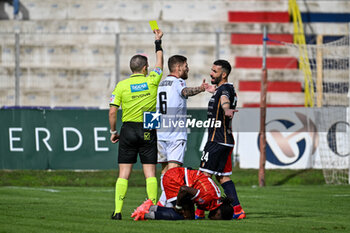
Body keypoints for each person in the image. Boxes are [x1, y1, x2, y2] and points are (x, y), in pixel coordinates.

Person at [108, 28, 164, 220]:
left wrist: (114, 131)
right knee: (150, 172)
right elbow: (160, 62)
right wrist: (158, 42)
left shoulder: (121, 85)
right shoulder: (152, 80)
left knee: (124, 173)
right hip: (149, 126)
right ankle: (154, 209)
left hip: (128, 128)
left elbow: (113, 110)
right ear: (145, 68)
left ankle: (117, 211)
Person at [156, 55, 211, 206]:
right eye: (186, 66)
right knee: (173, 172)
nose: (188, 68)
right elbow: (185, 92)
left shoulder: (161, 83)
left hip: (160, 132)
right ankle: (163, 204)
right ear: (179, 67)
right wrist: (200, 89)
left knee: (165, 170)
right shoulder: (178, 81)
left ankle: (165, 201)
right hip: (175, 133)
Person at [197, 60, 246, 220]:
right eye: (211, 70)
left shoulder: (225, 91)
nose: (211, 73)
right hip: (225, 140)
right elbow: (223, 94)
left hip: (217, 140)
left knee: (203, 177)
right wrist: (213, 91)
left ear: (223, 74)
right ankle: (238, 210)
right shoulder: (225, 88)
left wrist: (226, 109)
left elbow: (225, 100)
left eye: (214, 71)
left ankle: (199, 212)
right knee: (222, 177)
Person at [131, 167, 234, 220]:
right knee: (182, 215)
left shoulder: (216, 199)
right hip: (175, 179)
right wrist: (178, 206)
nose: (214, 219)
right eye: (218, 219)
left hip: (179, 176)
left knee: (189, 216)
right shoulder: (208, 197)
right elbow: (184, 189)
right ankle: (145, 214)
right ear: (218, 213)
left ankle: (150, 207)